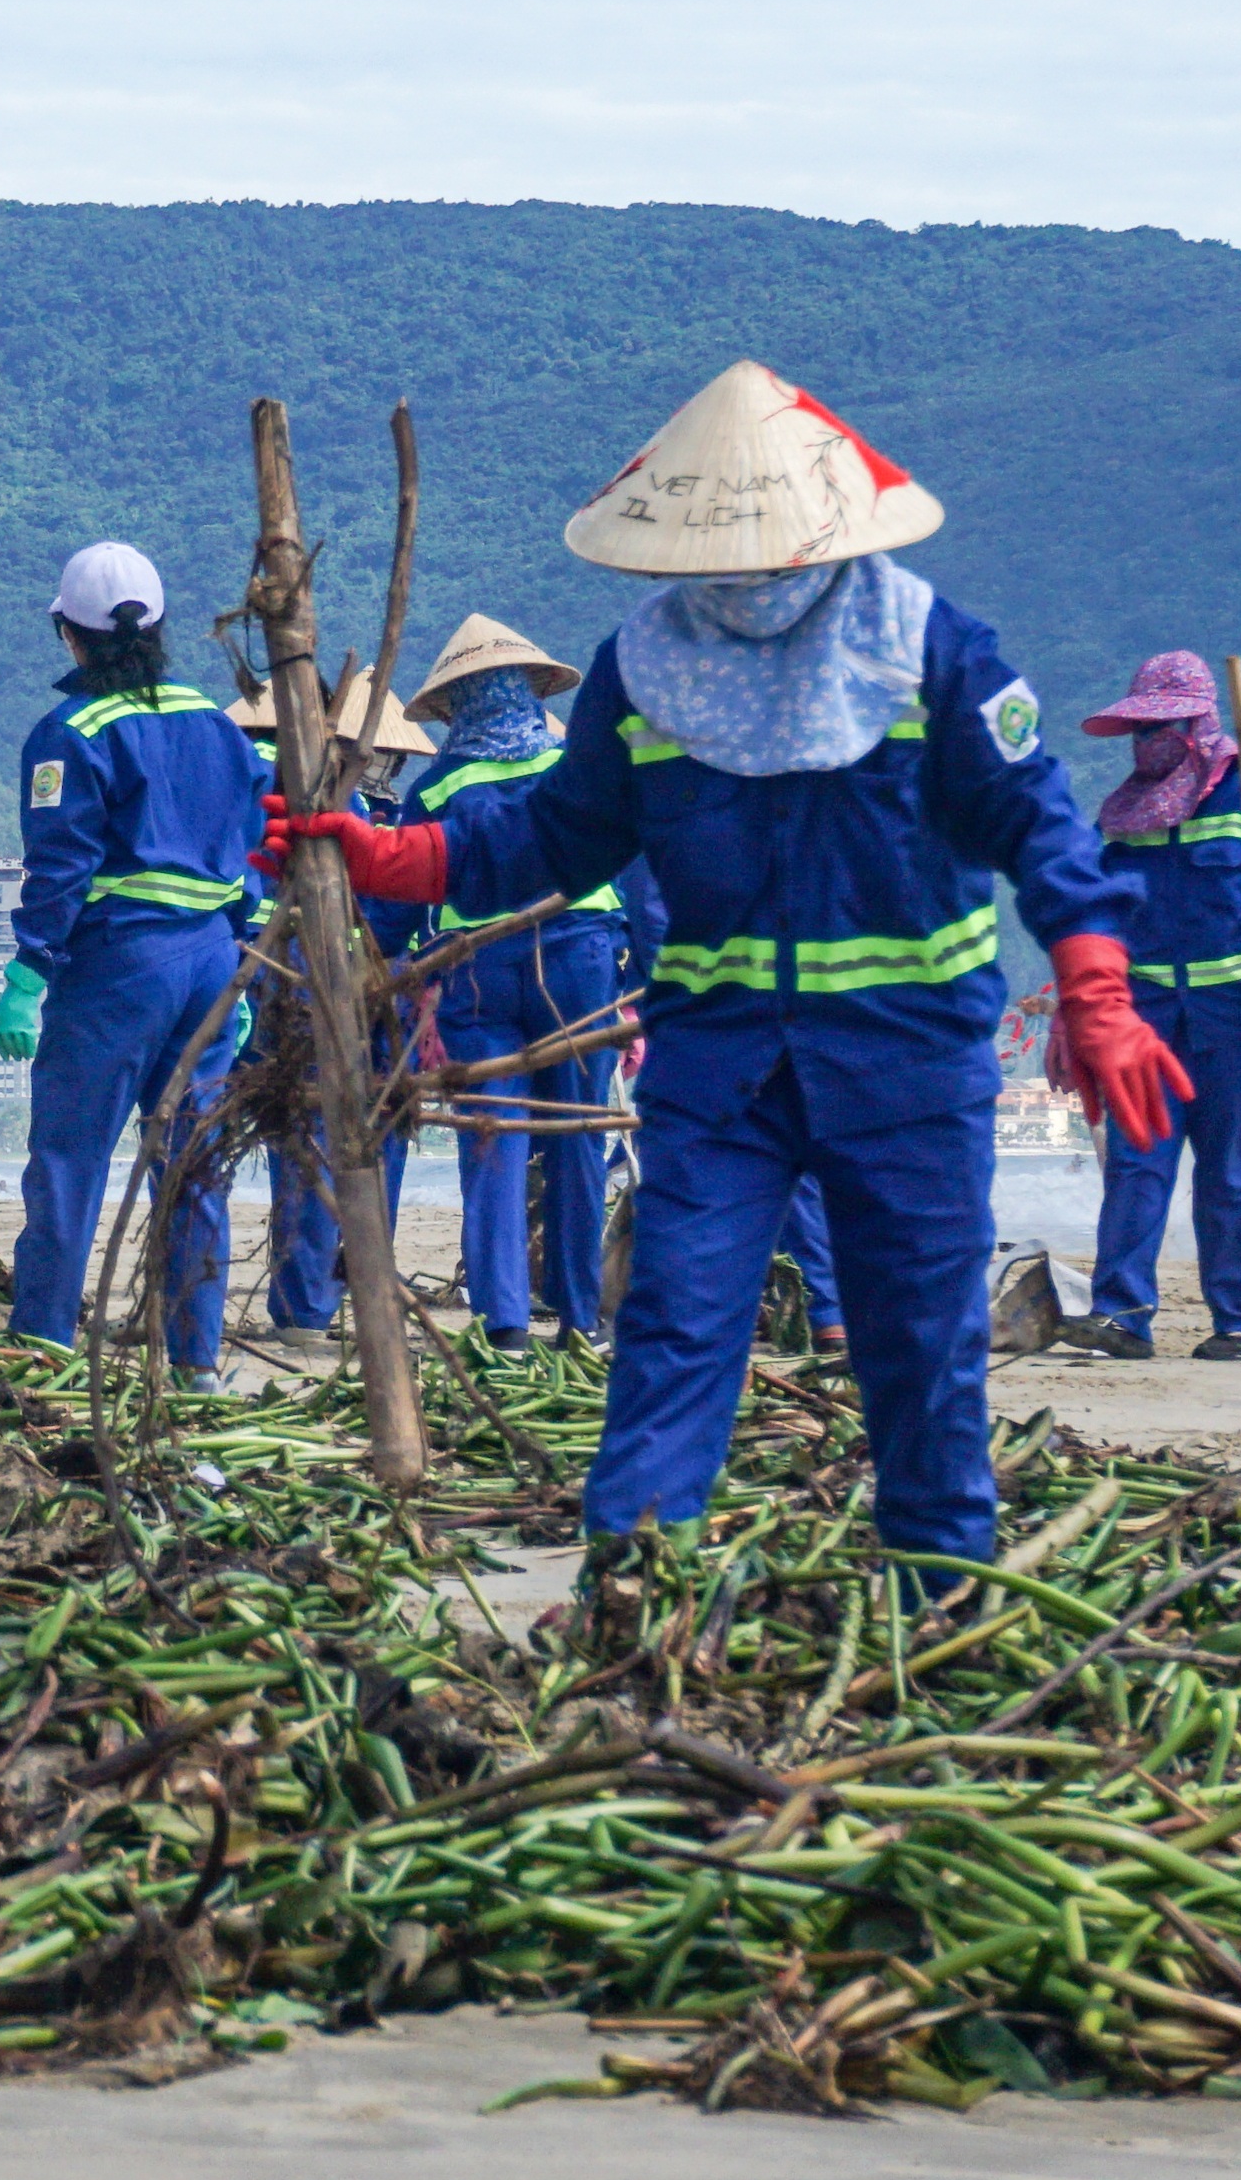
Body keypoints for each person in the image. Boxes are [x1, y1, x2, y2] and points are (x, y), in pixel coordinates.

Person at [270, 362, 1181, 1587]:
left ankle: (937, 1593)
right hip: (719, 1064)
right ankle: (634, 1587)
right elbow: (548, 838)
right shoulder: (642, 669)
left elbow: (1040, 824)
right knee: (675, 1323)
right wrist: (389, 855)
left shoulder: (931, 650)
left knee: (919, 1342)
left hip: (908, 1057)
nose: (744, 576)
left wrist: (1095, 986)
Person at [0, 541, 269, 1374]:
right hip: (212, 965)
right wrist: (244, 954)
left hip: (120, 967)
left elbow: (61, 861)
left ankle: (43, 1348)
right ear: (158, 628)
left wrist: (27, 969)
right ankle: (194, 1364)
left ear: (65, 632)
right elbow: (250, 850)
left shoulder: (69, 731)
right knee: (192, 1167)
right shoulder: (220, 728)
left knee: (71, 1161)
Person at [1065, 650, 1241, 1363]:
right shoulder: (1120, 818)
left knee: (1232, 1170)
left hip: (1239, 1016)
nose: (1144, 744)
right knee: (1136, 1164)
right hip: (1142, 1019)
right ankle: (1120, 1317)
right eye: (1136, 730)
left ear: (1195, 726)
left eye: (1158, 728)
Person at [402, 614, 632, 1350]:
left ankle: (502, 1323)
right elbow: (635, 870)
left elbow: (399, 890)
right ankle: (579, 1317)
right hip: (579, 958)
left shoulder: (436, 785)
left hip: (474, 971)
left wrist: (397, 979)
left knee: (491, 1141)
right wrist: (649, 987)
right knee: (576, 1136)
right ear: (530, 693)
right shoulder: (576, 772)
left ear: (457, 704)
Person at [242, 666, 434, 1334]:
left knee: (293, 1133)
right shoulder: (324, 792)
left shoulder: (356, 801)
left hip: (269, 969)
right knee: (336, 1129)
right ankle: (332, 1291)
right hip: (327, 974)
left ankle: (297, 1301)